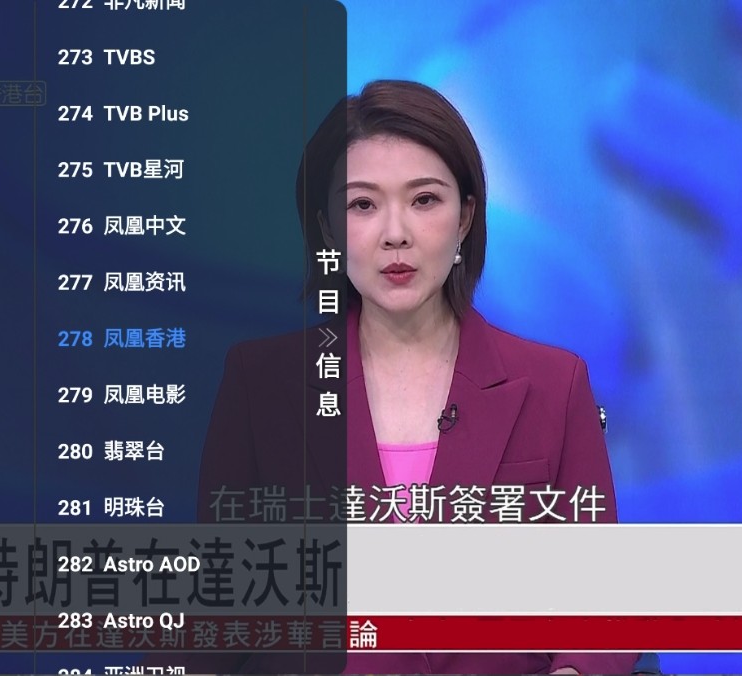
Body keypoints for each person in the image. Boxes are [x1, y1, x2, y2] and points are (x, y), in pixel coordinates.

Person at [183, 80, 637, 675]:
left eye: (424, 200)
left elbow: (597, 608)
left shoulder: (556, 383)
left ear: (466, 216)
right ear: (326, 228)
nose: (395, 232)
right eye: (362, 205)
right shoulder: (260, 383)